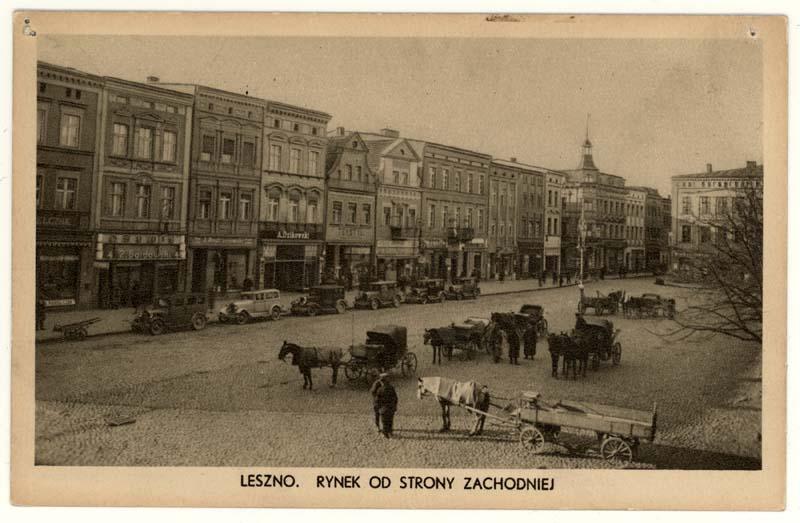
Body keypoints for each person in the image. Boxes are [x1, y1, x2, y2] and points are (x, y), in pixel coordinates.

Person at [371, 373, 398, 438]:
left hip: (382, 406)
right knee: (381, 417)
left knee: (385, 420)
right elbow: (373, 393)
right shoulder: (377, 384)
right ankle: (379, 427)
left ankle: (387, 432)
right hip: (382, 405)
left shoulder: (387, 387)